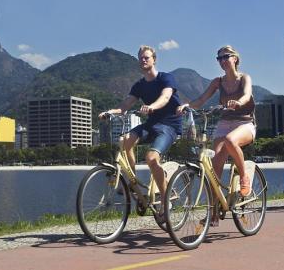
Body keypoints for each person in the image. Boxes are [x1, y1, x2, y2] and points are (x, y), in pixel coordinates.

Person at [99, 45, 182, 219]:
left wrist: (152, 106)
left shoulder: (166, 78)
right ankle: (132, 181)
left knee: (151, 158)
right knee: (124, 141)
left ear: (154, 59)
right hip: (151, 124)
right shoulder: (139, 85)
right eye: (141, 58)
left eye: (147, 57)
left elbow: (165, 97)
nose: (143, 60)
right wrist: (110, 112)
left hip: (169, 125)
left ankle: (166, 203)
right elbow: (124, 106)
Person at [177, 45, 256, 225]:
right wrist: (187, 105)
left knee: (230, 141)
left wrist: (238, 102)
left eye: (225, 57)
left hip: (245, 122)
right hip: (224, 123)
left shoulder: (244, 78)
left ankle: (244, 177)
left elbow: (246, 95)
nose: (222, 61)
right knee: (214, 169)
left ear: (235, 58)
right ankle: (214, 212)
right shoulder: (217, 82)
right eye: (219, 58)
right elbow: (201, 99)